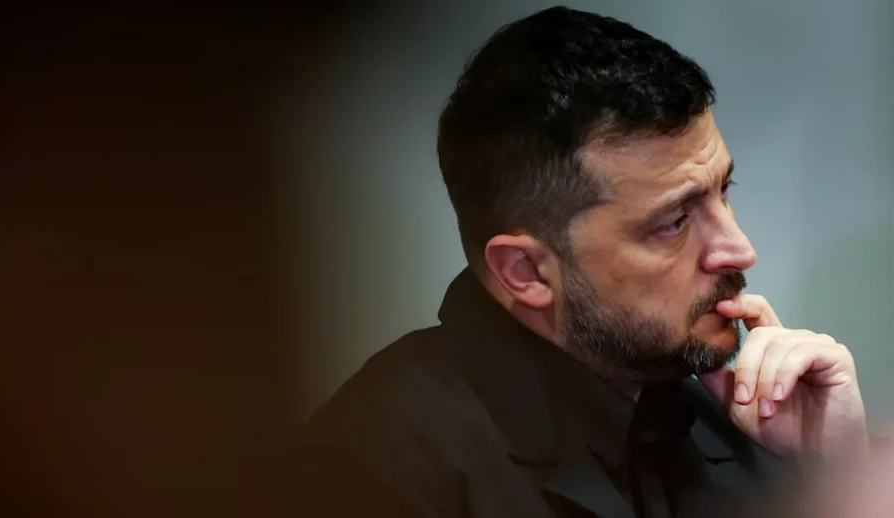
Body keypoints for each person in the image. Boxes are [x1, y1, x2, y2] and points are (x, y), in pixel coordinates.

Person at [269, 6, 880, 518]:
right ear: (526, 272)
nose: (739, 249)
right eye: (673, 222)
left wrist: (836, 469)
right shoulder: (376, 470)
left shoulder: (737, 424)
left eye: (724, 191)